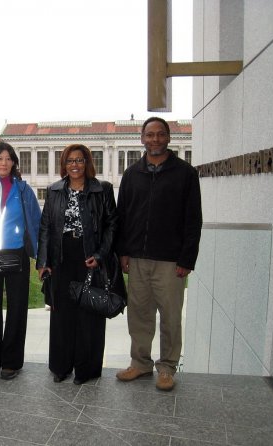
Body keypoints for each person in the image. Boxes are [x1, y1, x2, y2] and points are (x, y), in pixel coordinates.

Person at [115, 117, 202, 391]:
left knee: (170, 317)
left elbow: (193, 220)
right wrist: (123, 252)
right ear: (142, 138)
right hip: (138, 259)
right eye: (149, 134)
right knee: (139, 314)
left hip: (171, 260)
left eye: (160, 134)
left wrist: (187, 259)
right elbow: (123, 216)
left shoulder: (185, 173)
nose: (154, 139)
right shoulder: (131, 174)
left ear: (168, 138)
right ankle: (140, 363)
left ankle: (166, 368)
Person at [37, 144, 125, 385]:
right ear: (63, 165)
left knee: (89, 312)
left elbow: (112, 225)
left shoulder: (102, 189)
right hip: (61, 257)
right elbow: (45, 227)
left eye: (79, 160)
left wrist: (100, 254)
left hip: (90, 257)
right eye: (69, 161)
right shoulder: (54, 190)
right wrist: (43, 261)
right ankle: (61, 366)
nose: (74, 165)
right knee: (62, 313)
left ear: (87, 163)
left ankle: (86, 369)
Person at [0, 141, 41, 380]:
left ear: (13, 163)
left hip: (17, 255)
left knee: (17, 308)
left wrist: (40, 258)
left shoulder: (23, 190)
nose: (4, 163)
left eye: (8, 159)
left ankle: (11, 362)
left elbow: (36, 222)